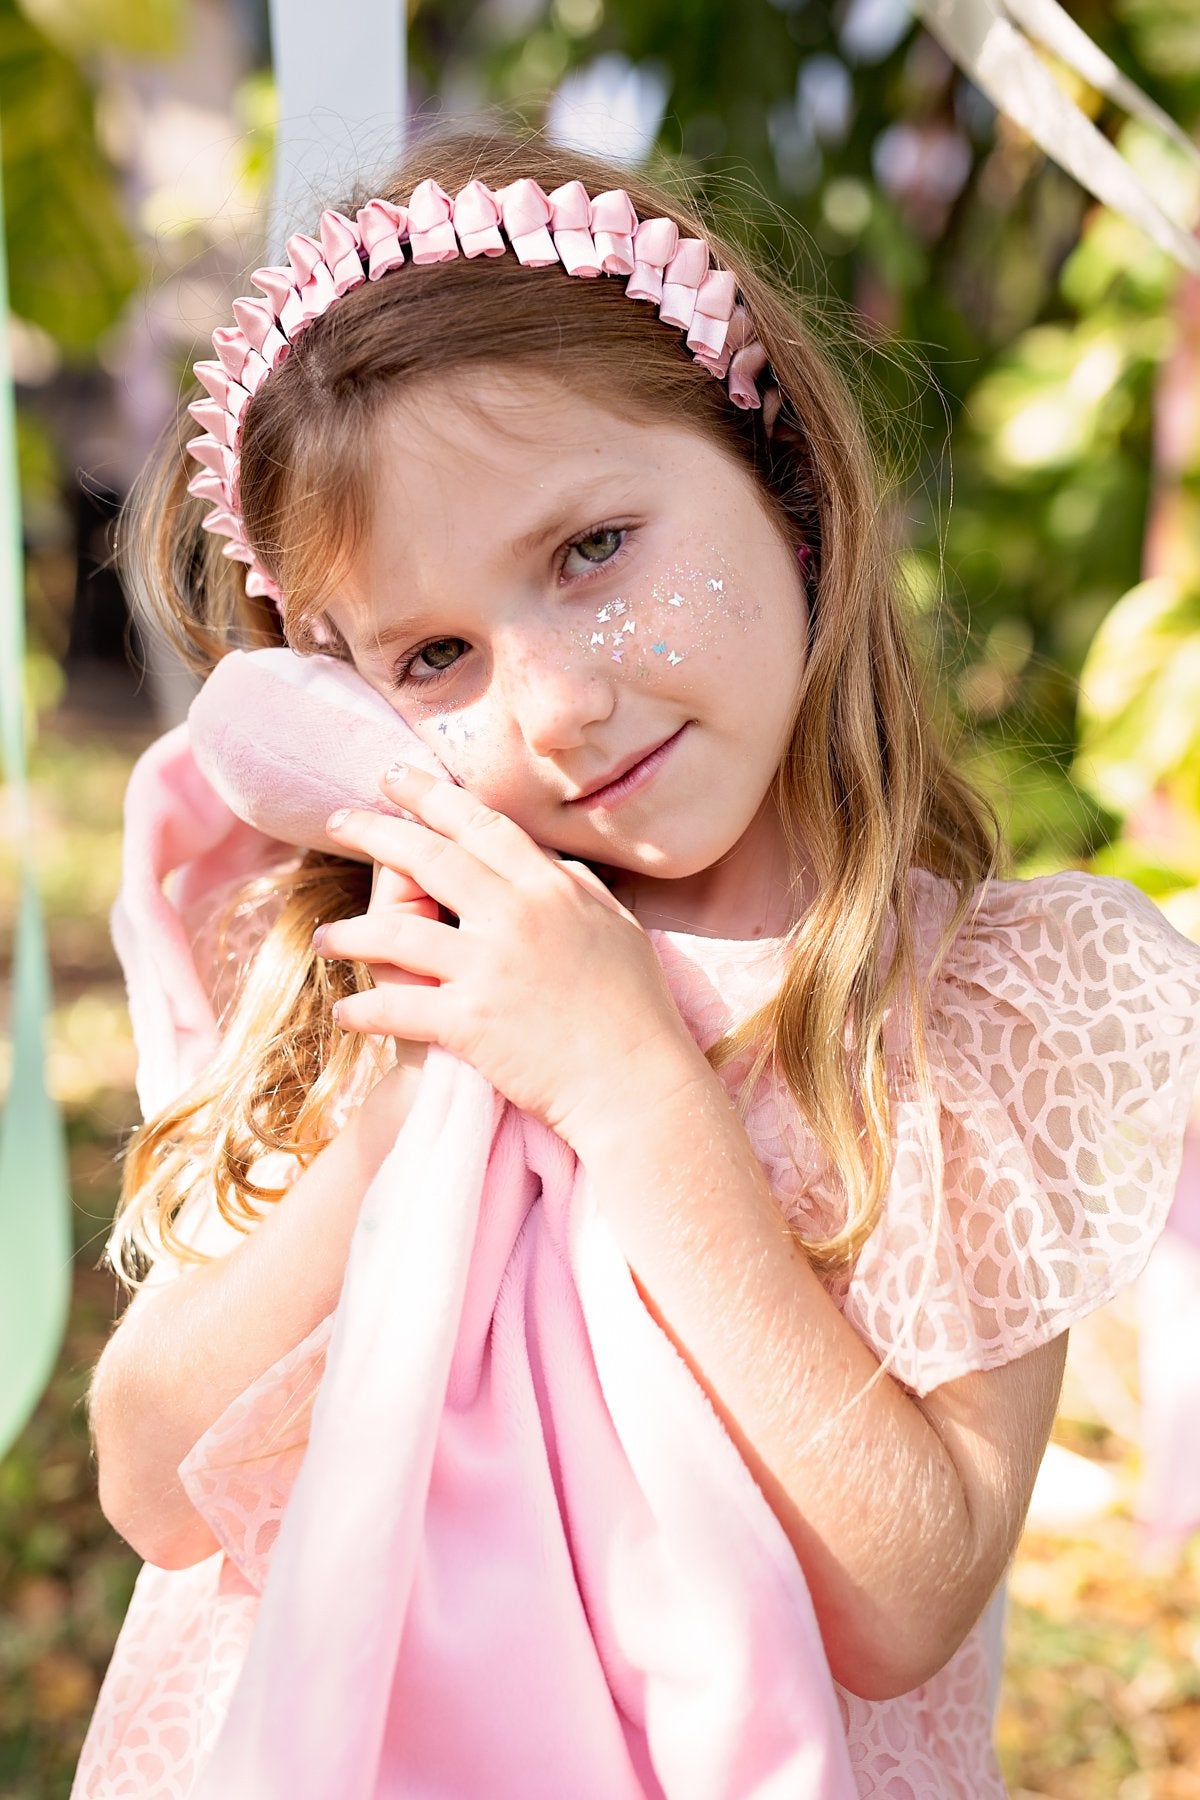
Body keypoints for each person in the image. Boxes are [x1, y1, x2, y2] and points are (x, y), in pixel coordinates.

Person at [76, 130, 1200, 1798]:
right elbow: (154, 1480)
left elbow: (903, 1598)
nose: (553, 710)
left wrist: (635, 1095)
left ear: (788, 490)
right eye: (435, 655)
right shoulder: (368, 973)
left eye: (593, 552)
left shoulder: (976, 1008)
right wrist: (404, 1116)